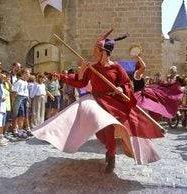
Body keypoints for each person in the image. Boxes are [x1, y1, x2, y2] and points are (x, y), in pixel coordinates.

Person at [33, 29, 164, 173]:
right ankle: (65, 135)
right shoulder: (92, 67)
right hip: (96, 100)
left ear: (104, 52)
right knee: (94, 120)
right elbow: (81, 82)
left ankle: (111, 156)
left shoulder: (116, 68)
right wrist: (63, 76)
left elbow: (126, 83)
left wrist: (121, 89)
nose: (94, 52)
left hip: (112, 102)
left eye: (97, 50)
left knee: (113, 127)